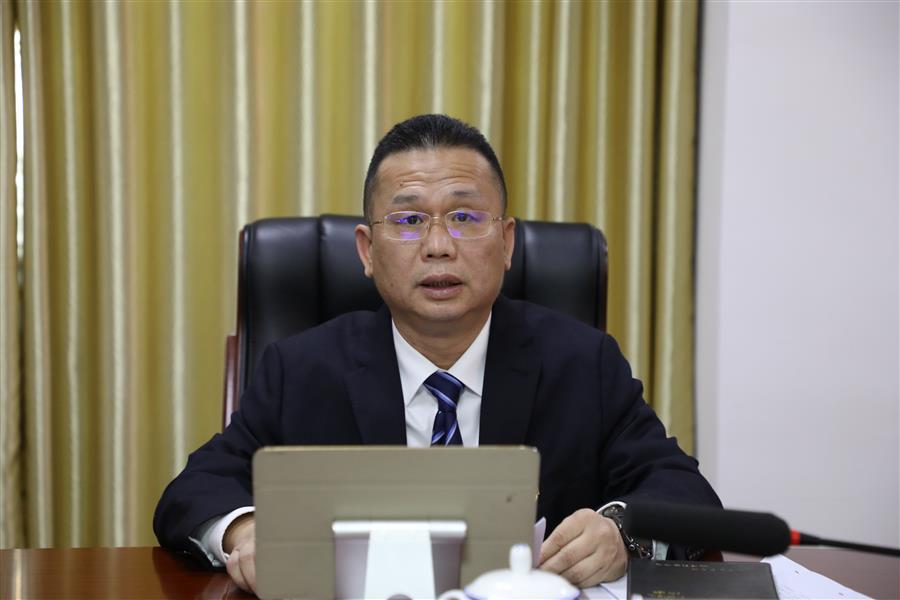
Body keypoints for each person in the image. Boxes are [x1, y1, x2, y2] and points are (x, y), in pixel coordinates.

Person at [154, 114, 720, 594]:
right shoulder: (301, 370)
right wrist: (246, 531)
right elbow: (194, 490)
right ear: (366, 251)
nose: (438, 246)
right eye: (408, 220)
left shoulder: (582, 363)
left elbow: (684, 492)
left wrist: (621, 531)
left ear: (506, 242)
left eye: (465, 217)